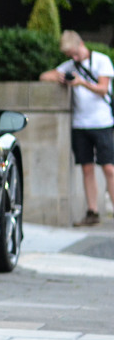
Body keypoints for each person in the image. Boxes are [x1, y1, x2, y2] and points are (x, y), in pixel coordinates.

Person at [40, 30, 114, 226]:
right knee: (87, 168)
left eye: (75, 53)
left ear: (81, 44)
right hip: (80, 124)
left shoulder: (102, 61)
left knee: (109, 168)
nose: (73, 58)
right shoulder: (70, 66)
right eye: (69, 56)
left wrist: (82, 82)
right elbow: (44, 76)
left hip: (102, 123)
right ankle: (92, 212)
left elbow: (103, 88)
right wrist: (60, 78)